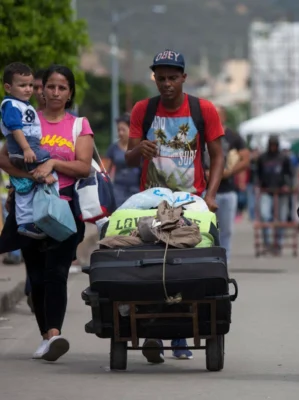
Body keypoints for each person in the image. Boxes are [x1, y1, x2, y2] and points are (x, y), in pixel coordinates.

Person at [125, 48, 225, 363]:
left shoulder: (202, 109)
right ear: (154, 78)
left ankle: (181, 334)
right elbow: (128, 157)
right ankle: (154, 332)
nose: (166, 83)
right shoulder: (143, 109)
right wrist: (138, 148)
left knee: (187, 270)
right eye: (161, 78)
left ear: (183, 78)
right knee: (152, 269)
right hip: (151, 200)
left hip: (190, 200)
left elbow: (218, 155)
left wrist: (209, 195)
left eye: (172, 77)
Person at [0, 64, 93, 362]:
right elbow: (4, 159)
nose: (54, 92)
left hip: (64, 210)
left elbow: (83, 166)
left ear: (69, 93)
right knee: (37, 277)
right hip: (29, 210)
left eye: (61, 87)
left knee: (56, 273)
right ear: (40, 90)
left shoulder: (79, 125)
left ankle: (54, 334)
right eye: (49, 86)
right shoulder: (27, 120)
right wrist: (31, 177)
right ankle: (45, 336)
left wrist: (52, 163)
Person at [0, 62, 58, 240]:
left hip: (28, 148)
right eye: (22, 85)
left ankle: (29, 221)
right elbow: (15, 128)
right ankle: (31, 221)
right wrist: (26, 148)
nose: (28, 89)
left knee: (25, 187)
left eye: (30, 85)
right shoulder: (10, 105)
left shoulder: (23, 104)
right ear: (8, 87)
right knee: (48, 165)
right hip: (24, 149)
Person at [210, 105, 250, 262]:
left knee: (226, 231)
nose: (215, 118)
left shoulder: (233, 136)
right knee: (207, 231)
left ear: (224, 117)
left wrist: (230, 172)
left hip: (227, 191)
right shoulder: (202, 135)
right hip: (206, 192)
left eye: (218, 115)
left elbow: (245, 159)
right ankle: (209, 262)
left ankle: (223, 263)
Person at [256, 136, 293, 254]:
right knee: (265, 216)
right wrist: (259, 185)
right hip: (266, 191)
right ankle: (267, 243)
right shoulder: (262, 158)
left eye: (274, 145)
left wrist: (288, 185)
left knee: (281, 218)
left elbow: (290, 173)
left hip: (281, 191)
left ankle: (279, 243)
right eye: (271, 145)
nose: (273, 147)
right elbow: (257, 173)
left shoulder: (283, 158)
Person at [104, 112, 141, 206]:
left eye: (123, 130)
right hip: (118, 190)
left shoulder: (140, 147)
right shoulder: (113, 148)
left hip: (137, 190)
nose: (120, 133)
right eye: (118, 130)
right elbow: (105, 171)